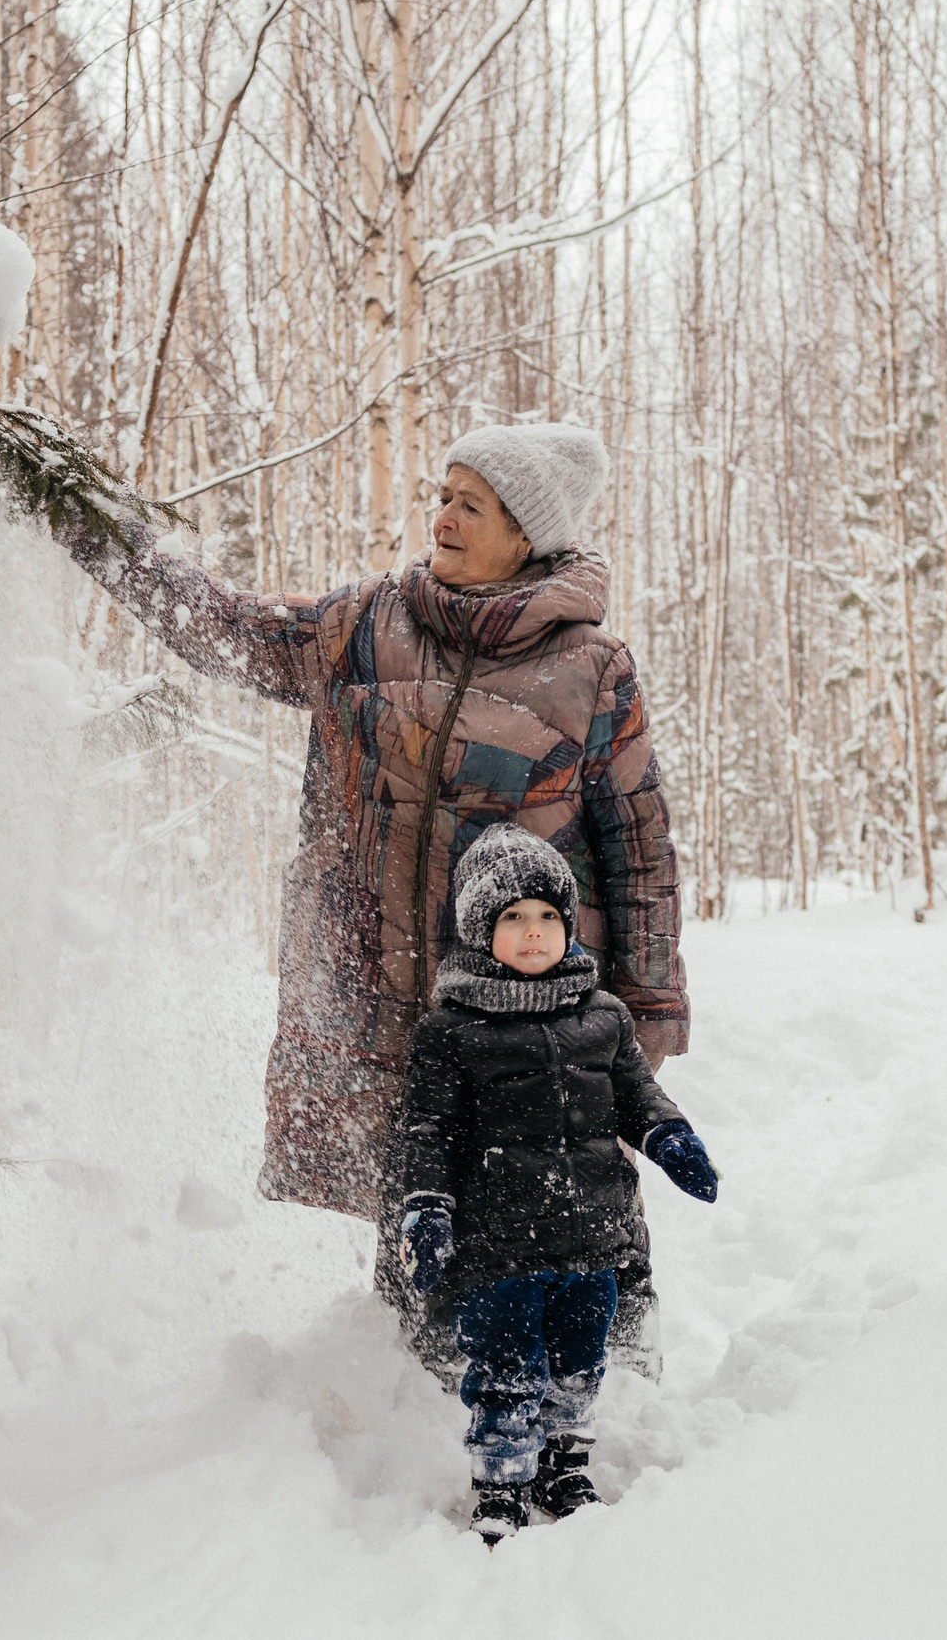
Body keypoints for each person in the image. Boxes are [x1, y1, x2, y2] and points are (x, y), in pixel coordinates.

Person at [53, 422, 688, 1370]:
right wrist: (92, 531)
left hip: (537, 1010)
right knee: (419, 1244)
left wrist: (646, 1010)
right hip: (388, 1000)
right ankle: (421, 1435)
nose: (441, 516)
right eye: (442, 493)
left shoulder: (593, 671)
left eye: (470, 504)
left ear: (528, 533)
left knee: (569, 1223)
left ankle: (610, 1413)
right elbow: (221, 625)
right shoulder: (363, 629)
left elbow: (637, 847)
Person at [390, 823, 719, 1543]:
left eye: (547, 916)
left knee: (579, 1361)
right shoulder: (451, 1031)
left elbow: (637, 1095)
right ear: (481, 930)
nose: (534, 932)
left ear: (568, 925)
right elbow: (428, 1132)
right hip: (498, 1247)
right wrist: (426, 1208)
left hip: (591, 1236)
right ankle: (501, 1481)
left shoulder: (603, 1016)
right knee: (506, 1368)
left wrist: (671, 1136)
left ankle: (563, 1464)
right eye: (513, 918)